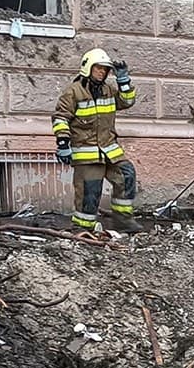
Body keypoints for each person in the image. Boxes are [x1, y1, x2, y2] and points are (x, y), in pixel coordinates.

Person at [53, 49, 139, 231]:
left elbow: (127, 102)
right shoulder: (73, 92)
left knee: (126, 174)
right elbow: (61, 118)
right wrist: (63, 143)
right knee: (89, 191)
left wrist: (123, 81)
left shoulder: (108, 90)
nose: (102, 72)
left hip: (110, 149)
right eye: (98, 68)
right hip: (86, 152)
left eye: (105, 69)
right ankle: (83, 227)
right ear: (88, 68)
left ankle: (123, 221)